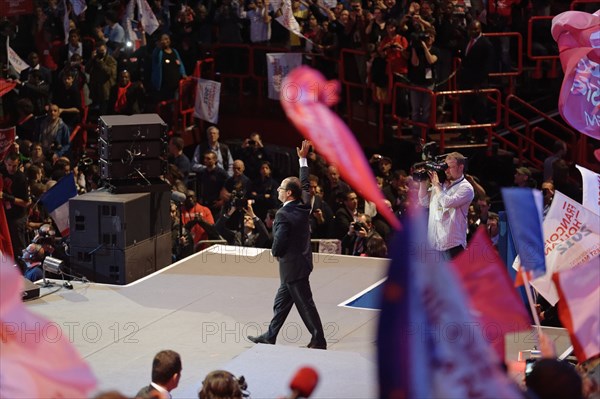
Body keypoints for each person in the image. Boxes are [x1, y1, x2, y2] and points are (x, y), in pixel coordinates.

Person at [248, 140, 327, 350]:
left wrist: (274, 251)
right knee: (281, 303)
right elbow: (306, 185)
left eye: (281, 188)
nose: (278, 191)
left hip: (292, 267)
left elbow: (280, 241)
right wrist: (302, 160)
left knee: (305, 305)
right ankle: (270, 335)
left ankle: (319, 339)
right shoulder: (304, 205)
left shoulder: (283, 213)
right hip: (300, 263)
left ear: (289, 194)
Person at [418, 152, 474, 259]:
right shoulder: (441, 185)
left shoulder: (466, 188)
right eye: (445, 167)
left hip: (453, 246)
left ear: (460, 167)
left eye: (450, 167)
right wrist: (422, 182)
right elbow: (423, 202)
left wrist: (436, 186)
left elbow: (447, 202)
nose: (446, 171)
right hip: (434, 245)